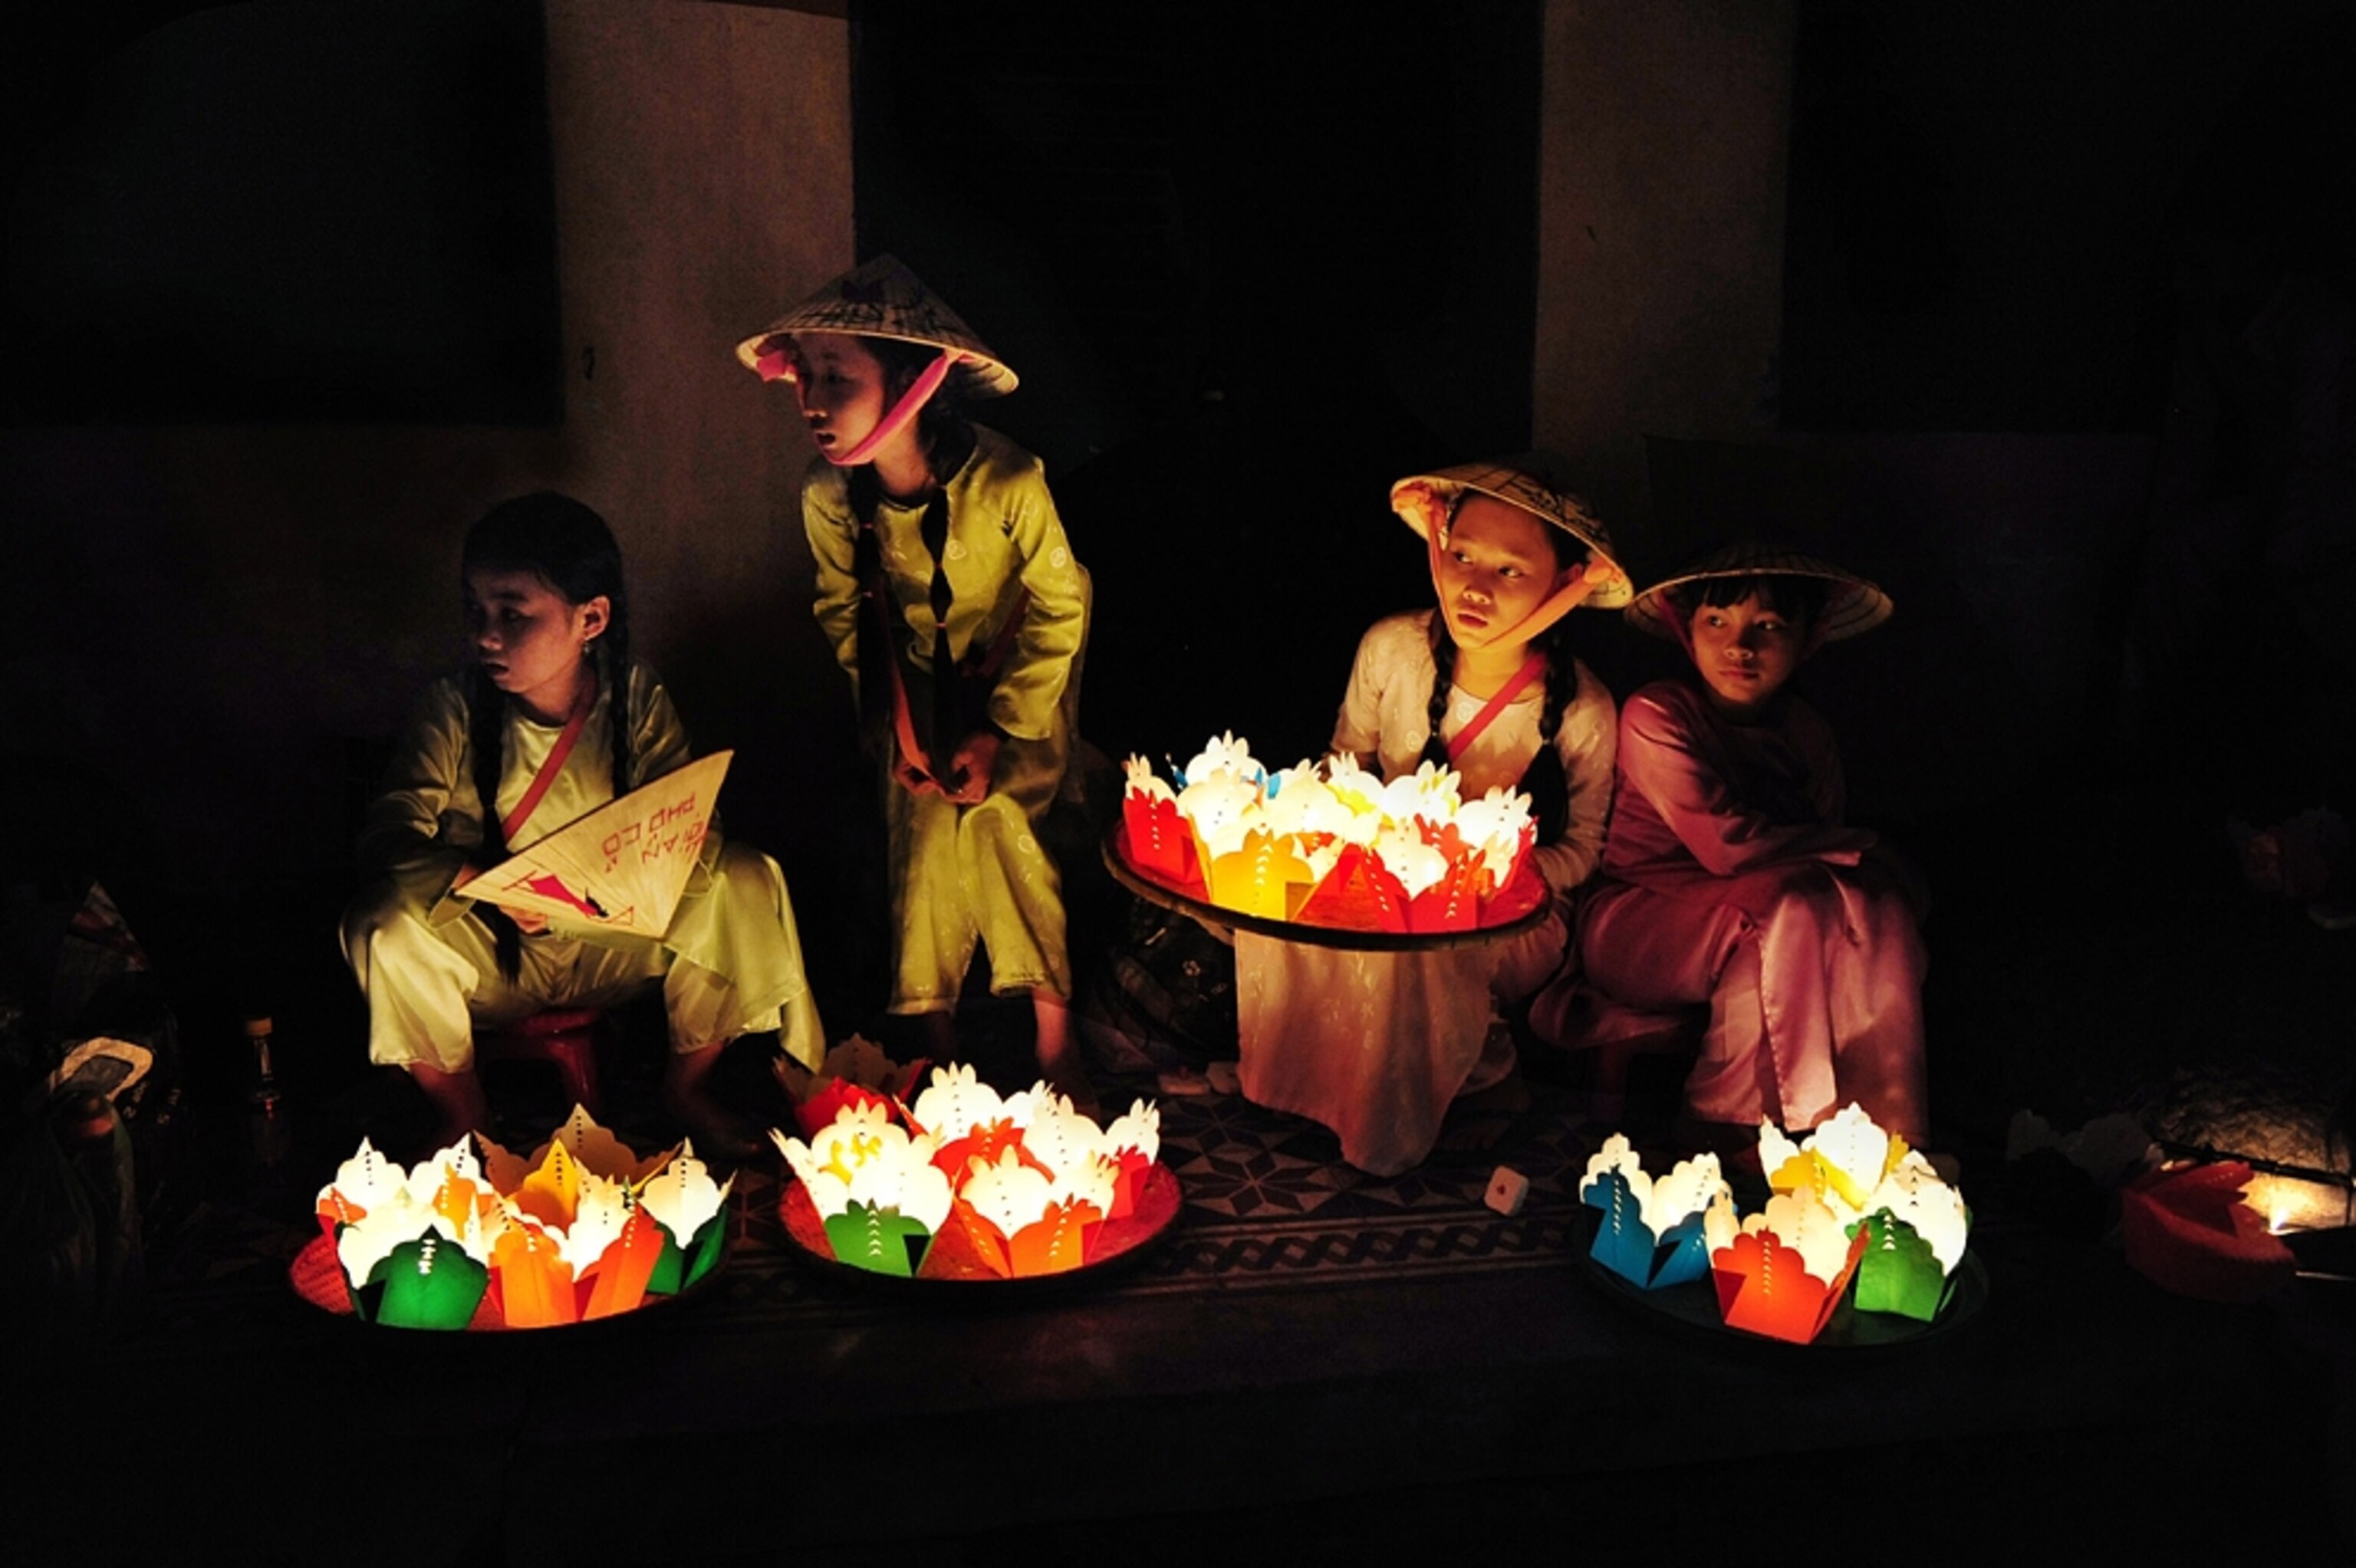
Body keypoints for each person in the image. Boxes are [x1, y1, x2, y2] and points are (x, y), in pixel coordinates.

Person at [341, 492, 824, 1152]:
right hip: (494, 954)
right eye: (476, 610)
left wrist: (625, 882)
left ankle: (687, 1089)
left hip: (611, 943)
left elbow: (693, 826)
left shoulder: (636, 698)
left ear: (591, 617)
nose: (487, 634)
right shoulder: (453, 709)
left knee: (743, 877)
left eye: (513, 613)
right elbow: (390, 837)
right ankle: (464, 1114)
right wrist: (484, 881)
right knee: (383, 923)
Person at [737, 257, 1093, 1106]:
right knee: (926, 833)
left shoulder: (1009, 481)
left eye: (839, 376)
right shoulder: (830, 497)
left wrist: (999, 726)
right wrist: (897, 732)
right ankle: (935, 1041)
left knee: (999, 820)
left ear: (915, 382)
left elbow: (1058, 608)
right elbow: (845, 614)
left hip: (1020, 695)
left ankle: (1055, 1040)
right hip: (915, 703)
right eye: (809, 375)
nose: (815, 400)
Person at [1232, 462, 1627, 1175]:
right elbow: (1342, 762)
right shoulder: (1392, 649)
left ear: (1567, 586)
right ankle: (1316, 1090)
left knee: (1429, 951)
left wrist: (1495, 878)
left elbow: (1589, 845)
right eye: (1463, 555)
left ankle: (1488, 1085)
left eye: (1511, 571)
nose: (1474, 586)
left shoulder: (1583, 710)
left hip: (1513, 917)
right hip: (1380, 885)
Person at [1573, 542, 1927, 1145]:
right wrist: (1864, 844)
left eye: (1768, 626)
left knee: (1868, 905)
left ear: (1807, 639)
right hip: (1637, 918)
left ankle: (1875, 1126)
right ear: (1687, 629)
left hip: (1769, 905)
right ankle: (1728, 1120)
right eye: (1718, 622)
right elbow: (1727, 846)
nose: (1741, 646)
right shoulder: (1657, 713)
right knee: (1790, 910)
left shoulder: (1807, 733)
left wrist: (1870, 872)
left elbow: (1825, 864)